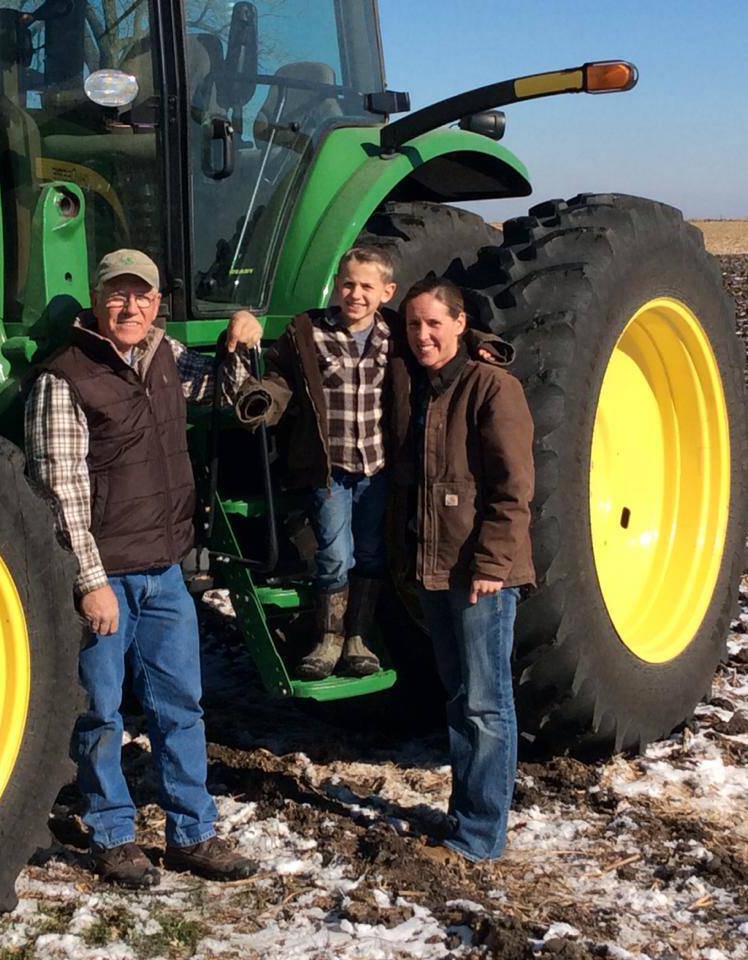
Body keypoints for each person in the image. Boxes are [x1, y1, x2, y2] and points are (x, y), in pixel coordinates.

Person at [25, 248, 262, 888]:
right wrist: (89, 581)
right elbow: (59, 491)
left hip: (164, 572)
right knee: (99, 710)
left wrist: (241, 337)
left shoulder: (164, 357)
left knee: (181, 706)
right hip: (105, 578)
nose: (131, 308)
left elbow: (229, 391)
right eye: (119, 296)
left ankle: (193, 832)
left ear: (158, 303)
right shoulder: (63, 376)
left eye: (144, 297)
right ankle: (111, 833)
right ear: (98, 302)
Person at [232, 248, 511, 683]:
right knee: (333, 554)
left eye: (366, 287)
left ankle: (358, 637)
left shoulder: (395, 332)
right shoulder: (308, 331)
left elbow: (442, 334)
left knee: (371, 553)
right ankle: (328, 638)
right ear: (336, 284)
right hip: (331, 469)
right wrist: (262, 396)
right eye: (348, 284)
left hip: (378, 468)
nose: (355, 294)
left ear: (387, 292)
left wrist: (483, 344)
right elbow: (282, 374)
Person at [389, 273, 535, 863]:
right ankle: (465, 815)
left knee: (486, 704)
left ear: (459, 325)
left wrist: (494, 564)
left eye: (433, 323)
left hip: (481, 576)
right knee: (459, 699)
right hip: (436, 569)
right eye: (413, 324)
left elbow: (513, 485)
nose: (423, 335)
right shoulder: (420, 387)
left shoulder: (491, 387)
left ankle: (481, 834)